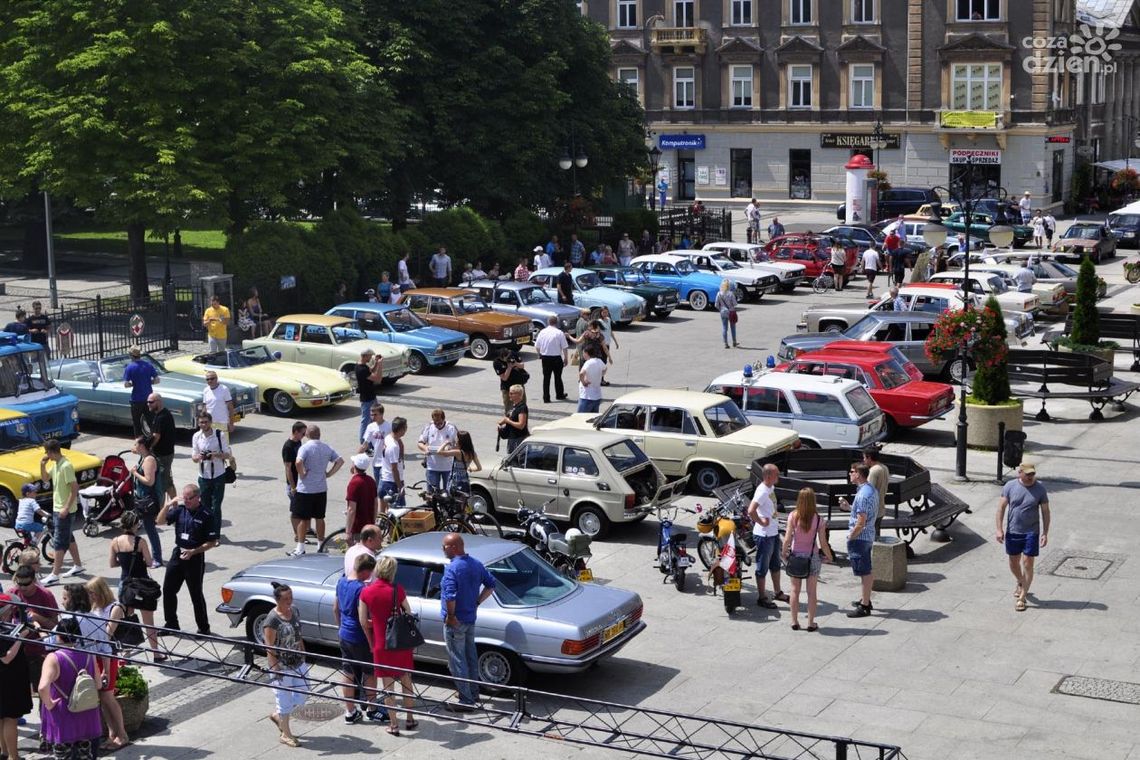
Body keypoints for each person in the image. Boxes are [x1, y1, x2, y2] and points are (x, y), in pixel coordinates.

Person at [359, 556, 418, 734]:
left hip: (381, 644)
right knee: (406, 681)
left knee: (388, 686)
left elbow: (363, 621)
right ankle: (410, 719)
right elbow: (408, 611)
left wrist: (377, 623)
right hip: (400, 642)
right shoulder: (397, 590)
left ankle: (393, 725)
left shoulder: (366, 592)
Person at [440, 533, 496, 710]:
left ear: (454, 547)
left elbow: (450, 596)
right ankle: (473, 691)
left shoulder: (452, 568)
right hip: (470, 619)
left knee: (457, 659)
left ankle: (466, 700)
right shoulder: (476, 564)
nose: (443, 549)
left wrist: (450, 616)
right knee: (470, 656)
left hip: (455, 621)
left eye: (445, 546)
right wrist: (477, 602)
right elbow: (491, 585)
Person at [37, 617, 102, 759]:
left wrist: (49, 704)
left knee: (63, 755)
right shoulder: (90, 655)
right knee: (85, 753)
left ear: (59, 636)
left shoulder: (54, 658)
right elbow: (98, 685)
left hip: (63, 712)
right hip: (86, 710)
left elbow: (42, 687)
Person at [158, 483, 218, 635]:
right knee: (168, 589)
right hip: (178, 553)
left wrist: (194, 551)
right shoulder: (180, 510)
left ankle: (204, 627)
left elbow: (211, 542)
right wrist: (167, 505)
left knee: (196, 594)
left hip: (195, 556)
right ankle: (171, 623)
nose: (186, 501)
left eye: (189, 498)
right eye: (184, 498)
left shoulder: (207, 515)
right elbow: (159, 521)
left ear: (198, 497)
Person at [334, 553, 386, 725]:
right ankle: (372, 709)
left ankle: (350, 712)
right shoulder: (362, 589)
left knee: (348, 672)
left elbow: (336, 609)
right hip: (360, 637)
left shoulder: (341, 582)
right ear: (365, 571)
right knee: (369, 673)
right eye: (371, 573)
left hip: (344, 634)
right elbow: (364, 620)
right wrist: (372, 642)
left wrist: (341, 628)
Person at [108, 511, 163, 661]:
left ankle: (125, 652)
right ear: (134, 525)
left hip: (125, 584)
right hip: (142, 585)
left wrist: (124, 562)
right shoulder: (140, 542)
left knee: (128, 619)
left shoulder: (115, 542)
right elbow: (150, 562)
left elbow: (112, 563)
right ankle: (156, 653)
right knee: (148, 622)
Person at [996, 462, 1050, 612]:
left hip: (1031, 532)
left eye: (1032, 474)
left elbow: (1046, 511)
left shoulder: (1040, 489)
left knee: (1027, 563)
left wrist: (1045, 533)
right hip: (1013, 531)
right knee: (1014, 563)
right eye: (1027, 474)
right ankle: (1020, 581)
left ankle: (1022, 597)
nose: (1030, 477)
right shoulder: (1010, 486)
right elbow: (1001, 508)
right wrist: (999, 529)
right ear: (1019, 472)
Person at [83, 578, 129, 752]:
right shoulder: (96, 608)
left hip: (108, 655)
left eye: (92, 593)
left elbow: (107, 633)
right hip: (97, 654)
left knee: (109, 697)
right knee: (103, 698)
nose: (90, 596)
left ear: (101, 591)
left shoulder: (115, 607)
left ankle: (122, 734)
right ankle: (112, 734)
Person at [781, 488, 834, 632]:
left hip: (796, 557)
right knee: (811, 592)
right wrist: (829, 556)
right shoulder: (818, 519)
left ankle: (794, 621)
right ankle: (811, 623)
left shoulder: (793, 516)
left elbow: (787, 538)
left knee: (794, 591)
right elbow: (823, 543)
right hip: (812, 557)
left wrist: (784, 553)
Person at [264, 584, 308, 748]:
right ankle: (286, 734)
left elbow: (298, 633)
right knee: (284, 701)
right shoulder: (272, 620)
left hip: (298, 662)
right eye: (285, 599)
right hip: (281, 667)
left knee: (303, 692)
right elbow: (269, 646)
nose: (289, 601)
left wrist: (303, 652)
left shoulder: (294, 610)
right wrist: (275, 668)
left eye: (291, 597)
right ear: (277, 600)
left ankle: (278, 716)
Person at [8, 565, 58, 707]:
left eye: (26, 584)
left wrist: (38, 618)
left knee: (43, 691)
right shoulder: (13, 594)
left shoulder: (45, 595)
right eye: (19, 583)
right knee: (14, 689)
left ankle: (46, 723)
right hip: (17, 650)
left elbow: (55, 625)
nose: (22, 588)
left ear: (34, 580)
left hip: (38, 651)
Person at [290, 425, 343, 556]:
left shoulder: (305, 447)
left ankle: (300, 548)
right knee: (320, 518)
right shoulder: (326, 447)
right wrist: (329, 474)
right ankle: (321, 545)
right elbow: (340, 461)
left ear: (307, 434)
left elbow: (298, 462)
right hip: (321, 488)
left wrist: (302, 474)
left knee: (303, 519)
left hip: (306, 490)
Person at [40, 439, 84, 586]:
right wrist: (42, 465)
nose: (46, 455)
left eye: (47, 452)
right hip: (57, 508)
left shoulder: (66, 466)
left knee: (59, 541)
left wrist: (66, 508)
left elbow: (74, 488)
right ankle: (77, 565)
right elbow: (45, 478)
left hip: (64, 510)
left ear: (52, 452)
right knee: (69, 538)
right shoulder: (56, 464)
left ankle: (55, 574)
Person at [747, 463, 788, 609]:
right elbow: (751, 510)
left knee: (776, 564)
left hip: (773, 532)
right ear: (768, 476)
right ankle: (762, 597)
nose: (779, 476)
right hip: (764, 536)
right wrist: (761, 521)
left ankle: (777, 592)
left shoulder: (771, 487)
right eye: (777, 474)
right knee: (762, 567)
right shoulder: (763, 491)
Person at [841, 463, 878, 619]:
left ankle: (865, 606)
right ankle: (865, 599)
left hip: (860, 538)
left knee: (864, 571)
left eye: (852, 472)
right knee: (865, 570)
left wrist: (851, 536)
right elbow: (864, 514)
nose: (850, 474)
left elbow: (861, 522)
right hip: (868, 535)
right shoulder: (870, 490)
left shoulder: (862, 495)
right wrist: (849, 508)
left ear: (858, 474)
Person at [0, 593, 34, 760]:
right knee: (10, 719)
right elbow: (6, 658)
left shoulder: (6, 627)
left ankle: (4, 752)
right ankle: (14, 756)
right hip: (8, 680)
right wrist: (20, 638)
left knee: (1, 718)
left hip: (8, 678)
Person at [191, 412, 234, 536]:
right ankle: (206, 532)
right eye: (201, 422)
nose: (203, 424)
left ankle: (215, 535)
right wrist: (200, 457)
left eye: (205, 422)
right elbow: (193, 457)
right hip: (203, 476)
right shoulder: (196, 436)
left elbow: (227, 454)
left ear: (210, 422)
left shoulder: (219, 435)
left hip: (218, 475)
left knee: (216, 506)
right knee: (204, 506)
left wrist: (214, 455)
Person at [131, 435, 164, 566]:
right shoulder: (144, 457)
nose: (134, 447)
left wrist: (135, 473)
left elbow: (149, 481)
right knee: (146, 527)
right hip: (142, 498)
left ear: (142, 446)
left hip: (149, 500)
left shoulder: (149, 460)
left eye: (136, 445)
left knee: (150, 529)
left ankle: (157, 558)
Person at [145, 393, 177, 502]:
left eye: (151, 402)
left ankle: (163, 510)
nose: (148, 404)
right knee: (167, 481)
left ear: (159, 402)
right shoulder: (160, 414)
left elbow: (156, 437)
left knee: (163, 484)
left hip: (163, 455)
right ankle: (173, 505)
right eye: (148, 402)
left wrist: (147, 448)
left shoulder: (162, 417)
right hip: (164, 454)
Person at [122, 346, 160, 437]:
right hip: (149, 399)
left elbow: (126, 384)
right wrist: (148, 382)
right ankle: (154, 441)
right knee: (151, 422)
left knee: (137, 424)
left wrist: (134, 384)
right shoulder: (148, 365)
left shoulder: (130, 367)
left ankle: (139, 444)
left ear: (131, 355)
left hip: (136, 400)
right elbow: (157, 380)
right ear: (140, 355)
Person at [418, 409, 458, 492]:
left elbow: (458, 445)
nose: (437, 425)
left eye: (439, 422)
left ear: (443, 419)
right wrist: (426, 449)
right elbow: (420, 443)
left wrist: (449, 450)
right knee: (432, 493)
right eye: (435, 422)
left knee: (449, 492)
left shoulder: (451, 428)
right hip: (432, 466)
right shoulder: (429, 426)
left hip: (448, 467)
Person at [282, 421, 309, 543]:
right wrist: (293, 487)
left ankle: (305, 530)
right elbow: (288, 468)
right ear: (296, 432)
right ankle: (298, 535)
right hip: (293, 484)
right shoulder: (288, 447)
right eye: (303, 433)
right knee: (297, 511)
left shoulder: (298, 442)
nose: (304, 436)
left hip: (300, 481)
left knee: (303, 509)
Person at [344, 454, 378, 547]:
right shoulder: (371, 480)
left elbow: (352, 509)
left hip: (358, 527)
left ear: (354, 466)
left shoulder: (354, 483)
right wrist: (373, 522)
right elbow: (375, 504)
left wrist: (348, 532)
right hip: (369, 525)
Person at [535, 316, 569, 403]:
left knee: (546, 378)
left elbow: (537, 346)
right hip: (556, 357)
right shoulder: (559, 333)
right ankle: (559, 394)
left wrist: (539, 354)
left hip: (545, 357)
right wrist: (566, 358)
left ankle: (546, 397)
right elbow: (564, 347)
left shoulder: (542, 332)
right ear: (556, 322)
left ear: (548, 322)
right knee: (558, 377)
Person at [377, 418, 408, 509]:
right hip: (392, 483)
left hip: (384, 480)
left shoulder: (389, 437)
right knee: (399, 511)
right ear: (401, 429)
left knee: (383, 512)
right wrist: (400, 487)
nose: (406, 429)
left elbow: (400, 444)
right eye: (405, 427)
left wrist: (401, 459)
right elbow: (394, 469)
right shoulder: (393, 447)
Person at [354, 349, 384, 443]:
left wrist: (375, 363)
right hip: (367, 399)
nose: (371, 358)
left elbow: (371, 371)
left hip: (371, 397)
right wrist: (379, 364)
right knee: (366, 421)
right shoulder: (361, 369)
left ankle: (370, 441)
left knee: (374, 419)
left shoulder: (362, 366)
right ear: (365, 356)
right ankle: (363, 442)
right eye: (370, 356)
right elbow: (378, 379)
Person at [359, 404, 391, 484]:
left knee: (383, 487)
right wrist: (355, 461)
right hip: (376, 463)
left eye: (375, 414)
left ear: (381, 414)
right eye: (371, 415)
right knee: (378, 486)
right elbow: (365, 445)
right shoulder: (370, 427)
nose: (373, 417)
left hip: (386, 463)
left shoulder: (388, 427)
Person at [863, 445, 890, 538]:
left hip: (873, 510)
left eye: (864, 458)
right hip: (881, 508)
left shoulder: (873, 471)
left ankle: (874, 551)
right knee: (876, 533)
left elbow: (868, 492)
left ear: (869, 458)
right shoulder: (884, 467)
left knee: (871, 536)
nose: (863, 461)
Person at [492, 348, 528, 414]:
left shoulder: (513, 354)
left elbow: (522, 366)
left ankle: (523, 423)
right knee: (509, 410)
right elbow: (504, 378)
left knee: (522, 407)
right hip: (507, 388)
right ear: (501, 357)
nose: (508, 359)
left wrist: (515, 364)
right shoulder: (497, 362)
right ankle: (509, 423)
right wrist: (509, 367)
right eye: (506, 358)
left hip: (519, 385)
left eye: (508, 356)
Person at [202, 371, 236, 436]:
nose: (210, 381)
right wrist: (203, 422)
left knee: (223, 445)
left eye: (212, 378)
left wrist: (231, 423)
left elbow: (230, 408)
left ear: (216, 378)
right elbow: (205, 407)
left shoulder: (224, 389)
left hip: (222, 423)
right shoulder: (206, 390)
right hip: (210, 424)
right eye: (207, 379)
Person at [498, 385, 529, 454]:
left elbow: (521, 425)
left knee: (517, 460)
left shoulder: (522, 407)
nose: (509, 395)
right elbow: (511, 419)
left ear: (518, 394)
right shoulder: (514, 406)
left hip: (518, 438)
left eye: (511, 393)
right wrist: (501, 423)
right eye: (509, 393)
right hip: (512, 437)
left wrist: (508, 421)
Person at [577, 346, 605, 413]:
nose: (583, 355)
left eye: (583, 353)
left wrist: (583, 382)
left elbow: (581, 374)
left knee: (580, 418)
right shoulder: (599, 361)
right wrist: (600, 375)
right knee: (592, 418)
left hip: (587, 396)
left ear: (586, 353)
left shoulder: (588, 362)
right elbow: (605, 369)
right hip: (597, 396)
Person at [713, 279, 740, 349]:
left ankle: (725, 343)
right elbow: (735, 304)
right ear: (729, 286)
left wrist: (721, 309)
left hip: (723, 312)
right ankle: (734, 342)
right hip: (731, 312)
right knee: (733, 328)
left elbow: (716, 305)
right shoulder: (731, 294)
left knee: (724, 328)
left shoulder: (719, 293)